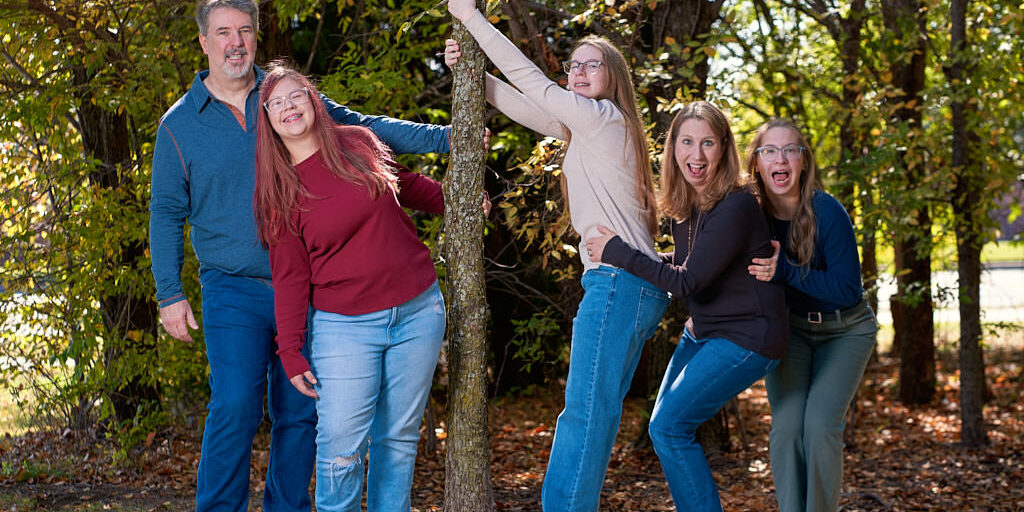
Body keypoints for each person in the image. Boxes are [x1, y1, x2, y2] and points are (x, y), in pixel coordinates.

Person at [148, 1, 450, 510]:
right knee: (236, 404)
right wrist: (169, 292)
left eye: (245, 30)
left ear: (256, 36)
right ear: (203, 42)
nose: (236, 42)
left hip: (310, 286)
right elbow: (165, 212)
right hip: (233, 288)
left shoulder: (283, 96)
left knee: (303, 410)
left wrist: (446, 139)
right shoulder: (179, 126)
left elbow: (364, 130)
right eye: (223, 32)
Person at [445, 2, 669, 510]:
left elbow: (535, 84)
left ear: (614, 77)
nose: (579, 71)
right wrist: (472, 72)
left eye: (593, 64)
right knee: (595, 414)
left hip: (618, 281)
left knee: (584, 414)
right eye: (574, 64)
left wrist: (474, 21)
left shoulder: (603, 118)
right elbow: (528, 106)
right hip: (630, 285)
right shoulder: (592, 127)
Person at [254, 62, 448, 512]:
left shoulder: (359, 142)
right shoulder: (279, 191)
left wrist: (462, 201)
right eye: (276, 103)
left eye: (296, 95)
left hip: (419, 311)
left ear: (314, 100)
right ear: (267, 120)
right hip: (346, 327)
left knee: (398, 440)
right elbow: (290, 277)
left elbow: (407, 186)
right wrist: (290, 350)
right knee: (341, 448)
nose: (288, 107)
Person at [585, 101, 788, 512]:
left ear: (724, 148)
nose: (697, 155)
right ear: (673, 146)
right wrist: (628, 256)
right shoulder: (687, 204)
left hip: (749, 336)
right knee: (664, 429)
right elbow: (685, 265)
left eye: (708, 143)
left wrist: (617, 251)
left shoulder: (736, 204)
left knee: (670, 428)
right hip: (706, 331)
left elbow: (685, 281)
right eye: (687, 142)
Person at [746, 119, 877, 512]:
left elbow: (847, 289)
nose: (780, 159)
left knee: (819, 427)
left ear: (804, 161)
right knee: (787, 428)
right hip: (791, 331)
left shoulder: (827, 211)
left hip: (846, 330)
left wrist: (785, 270)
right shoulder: (750, 215)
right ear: (756, 163)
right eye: (770, 150)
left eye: (790, 150)